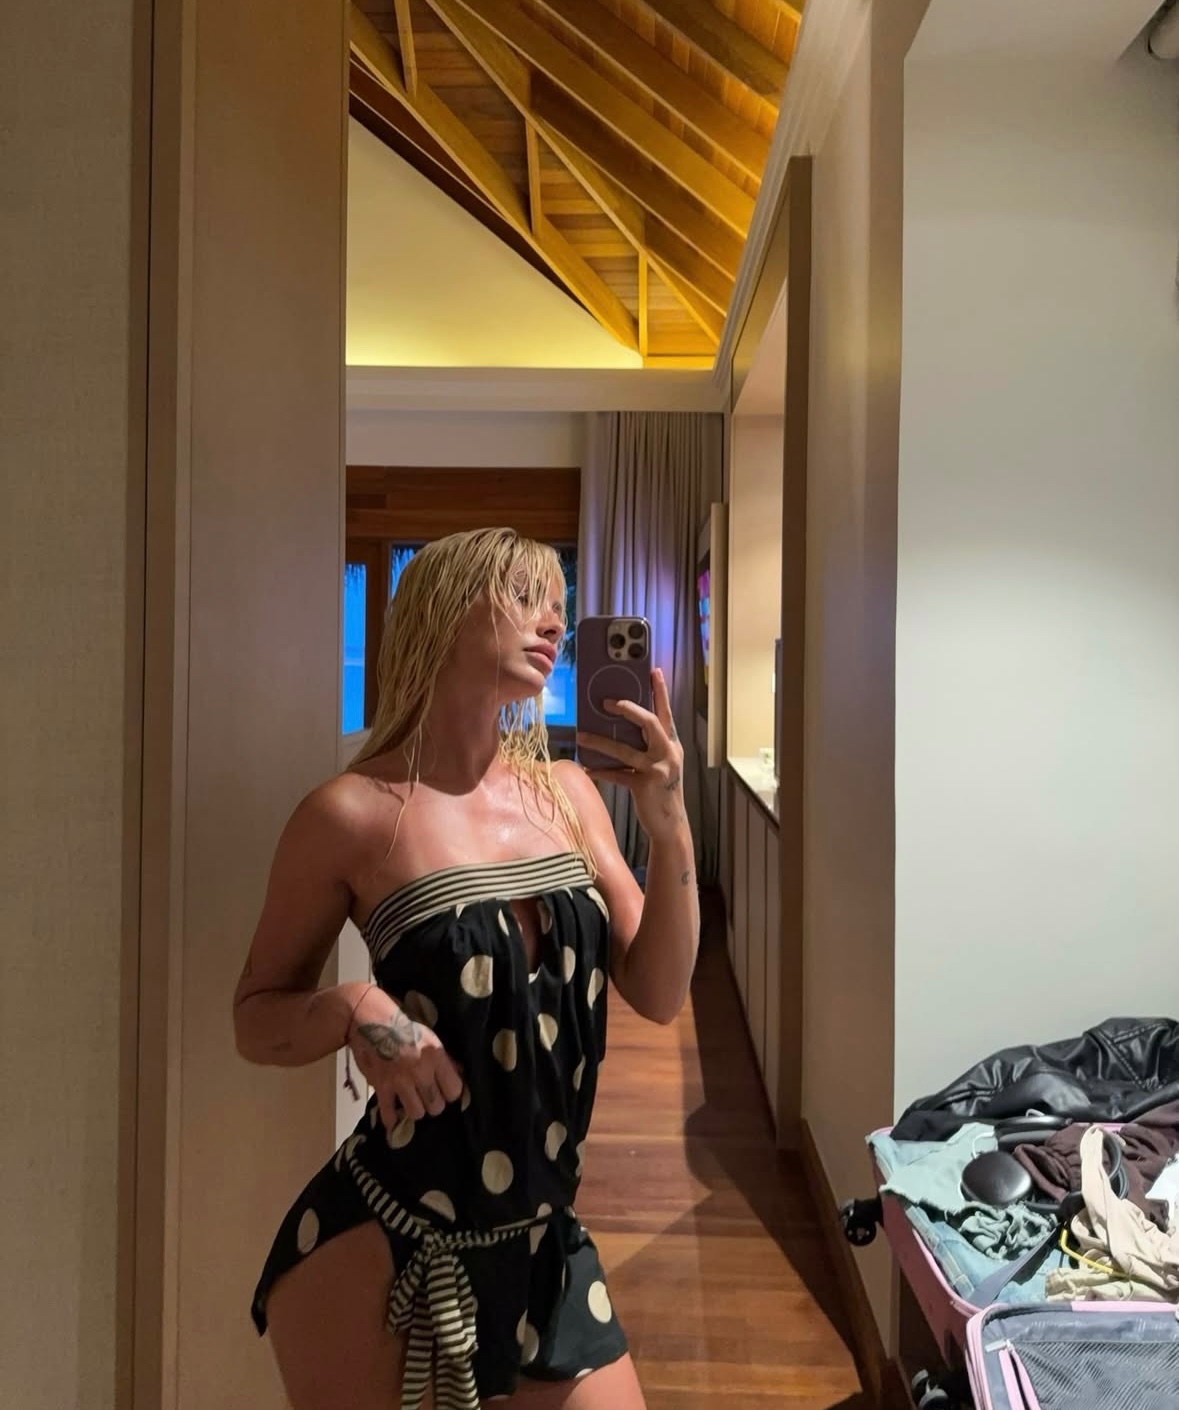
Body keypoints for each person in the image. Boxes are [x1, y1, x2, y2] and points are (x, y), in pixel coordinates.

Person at [233, 527, 700, 1410]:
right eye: (522, 596)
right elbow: (255, 1015)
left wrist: (670, 826)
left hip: (544, 1239)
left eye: (557, 604)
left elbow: (659, 989)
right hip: (388, 1240)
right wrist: (355, 1005)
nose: (551, 621)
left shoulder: (568, 793)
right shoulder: (350, 814)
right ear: (444, 610)